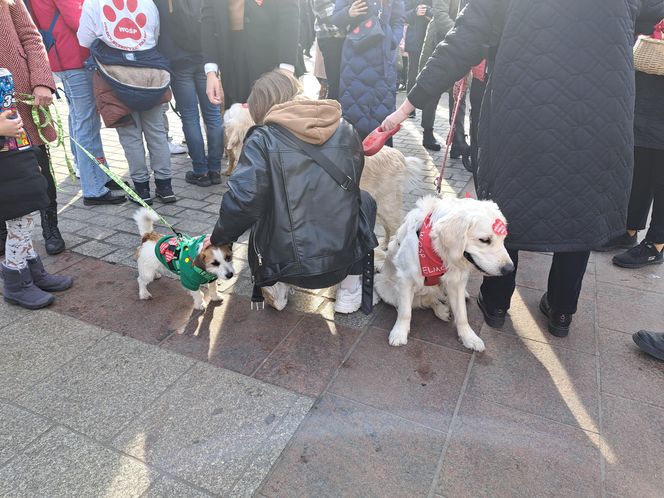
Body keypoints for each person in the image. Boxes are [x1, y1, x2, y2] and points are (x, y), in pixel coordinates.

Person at [381, 0, 664, 337]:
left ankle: (497, 302)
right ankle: (561, 311)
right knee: (582, 206)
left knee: (511, 200)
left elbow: (463, 39)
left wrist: (407, 106)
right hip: (601, 110)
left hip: (525, 104)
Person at [210, 69, 378, 314]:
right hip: (339, 262)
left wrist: (219, 238)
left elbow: (243, 201)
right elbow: (348, 191)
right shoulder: (346, 129)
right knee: (364, 200)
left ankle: (277, 286)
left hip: (284, 265)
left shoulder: (261, 139)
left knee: (265, 203)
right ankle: (350, 291)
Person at [28, 0, 127, 206]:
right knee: (87, 122)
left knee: (79, 118)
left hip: (62, 55)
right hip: (74, 56)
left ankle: (98, 174)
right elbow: (78, 20)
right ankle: (93, 188)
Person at [78, 0, 176, 205]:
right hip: (149, 72)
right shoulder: (147, 2)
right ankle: (165, 187)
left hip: (115, 73)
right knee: (157, 133)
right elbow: (154, 36)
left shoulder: (93, 3)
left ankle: (142, 190)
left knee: (131, 136)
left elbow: (84, 39)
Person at [596, 14, 664, 269]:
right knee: (641, 166)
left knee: (661, 174)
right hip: (647, 79)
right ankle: (630, 230)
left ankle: (656, 244)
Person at [0, 0, 65, 256]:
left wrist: (41, 82)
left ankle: (51, 226)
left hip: (22, 94)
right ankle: (5, 232)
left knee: (38, 165)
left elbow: (31, 36)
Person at [1, 104, 73, 309]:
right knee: (20, 220)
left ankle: (32, 271)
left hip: (14, 154)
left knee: (23, 216)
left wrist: (29, 153)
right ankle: (16, 282)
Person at [155, 0, 224, 187]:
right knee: (213, 115)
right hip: (205, 61)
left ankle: (200, 171)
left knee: (190, 116)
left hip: (178, 62)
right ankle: (215, 169)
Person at [202, 0, 300, 109]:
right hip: (231, 56)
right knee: (238, 118)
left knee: (273, 116)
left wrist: (286, 69)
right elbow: (209, 18)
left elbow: (290, 14)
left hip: (271, 55)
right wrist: (211, 71)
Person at [332, 0, 405, 141]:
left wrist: (392, 39)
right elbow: (336, 18)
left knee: (382, 113)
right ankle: (354, 158)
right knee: (353, 112)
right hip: (355, 57)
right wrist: (348, 13)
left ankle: (382, 158)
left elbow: (398, 18)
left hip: (383, 59)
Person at [417, 0, 468, 155]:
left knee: (459, 92)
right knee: (432, 90)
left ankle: (458, 139)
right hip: (440, 42)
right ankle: (427, 132)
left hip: (462, 45)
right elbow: (440, 14)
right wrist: (462, 35)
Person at [313, 0, 346, 101]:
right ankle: (332, 111)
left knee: (341, 81)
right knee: (335, 82)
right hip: (330, 36)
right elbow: (327, 15)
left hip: (343, 36)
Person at [404, 1, 432, 109]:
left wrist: (428, 11)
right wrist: (415, 12)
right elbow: (403, 16)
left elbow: (440, 13)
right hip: (415, 42)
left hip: (431, 41)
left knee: (430, 75)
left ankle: (428, 109)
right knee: (412, 76)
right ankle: (409, 109)